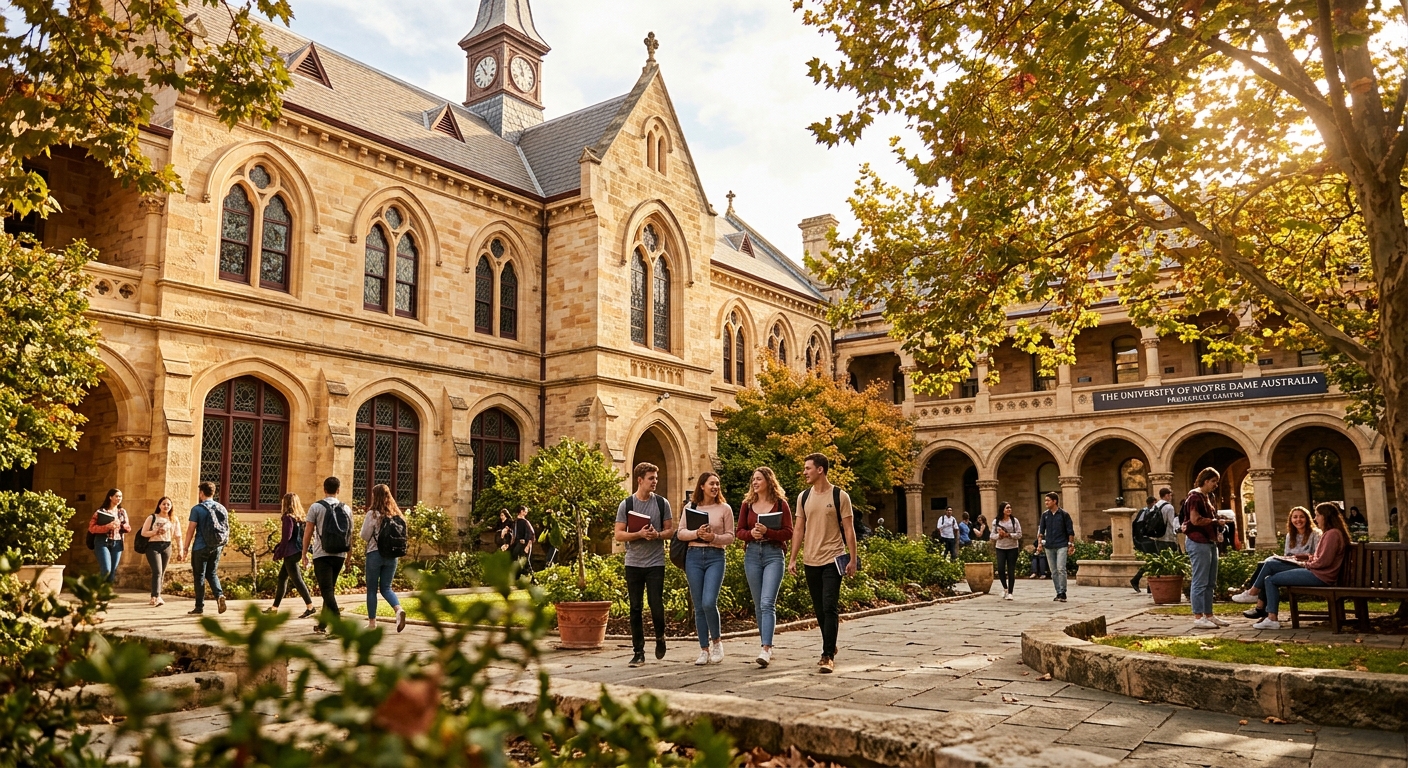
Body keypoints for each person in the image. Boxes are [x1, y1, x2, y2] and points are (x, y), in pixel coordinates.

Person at [788, 453, 856, 674]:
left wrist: (853, 559)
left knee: (829, 605)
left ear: (820, 470)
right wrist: (793, 557)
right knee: (819, 608)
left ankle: (827, 655)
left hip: (833, 558)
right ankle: (830, 641)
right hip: (811, 559)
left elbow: (849, 529)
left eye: (808, 468)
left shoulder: (840, 496)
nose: (805, 472)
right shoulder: (803, 497)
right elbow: (799, 529)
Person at [1231, 502, 1350, 629]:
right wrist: (1305, 558)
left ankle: (1263, 608)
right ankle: (1263, 608)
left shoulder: (1332, 534)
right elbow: (1321, 557)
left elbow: (1323, 562)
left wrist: (1305, 564)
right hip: (1318, 572)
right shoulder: (1330, 533)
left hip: (1321, 576)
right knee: (1270, 565)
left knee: (1270, 578)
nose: (1316, 519)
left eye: (1317, 515)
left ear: (1326, 516)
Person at [613, 462, 674, 667]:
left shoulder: (662, 503)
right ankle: (638, 652)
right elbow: (619, 534)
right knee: (635, 608)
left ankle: (660, 637)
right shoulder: (627, 505)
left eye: (656, 478)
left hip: (656, 561)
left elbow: (669, 531)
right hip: (633, 563)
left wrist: (657, 534)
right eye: (651, 478)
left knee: (656, 605)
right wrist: (639, 534)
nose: (655, 481)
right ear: (640, 480)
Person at [737, 467, 794, 667]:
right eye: (753, 479)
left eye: (758, 479)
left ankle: (766, 648)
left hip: (773, 554)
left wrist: (768, 531)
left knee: (767, 602)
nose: (754, 482)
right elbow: (739, 532)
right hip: (752, 554)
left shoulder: (780, 504)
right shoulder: (747, 504)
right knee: (758, 603)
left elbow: (789, 532)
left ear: (768, 481)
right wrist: (751, 534)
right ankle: (765, 643)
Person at [678, 471, 735, 666]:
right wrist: (697, 533)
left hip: (715, 556)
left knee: (709, 602)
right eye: (711, 483)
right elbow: (680, 533)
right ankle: (703, 649)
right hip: (693, 556)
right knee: (699, 604)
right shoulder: (690, 507)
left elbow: (731, 536)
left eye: (717, 484)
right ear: (702, 486)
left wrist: (714, 538)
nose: (715, 487)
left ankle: (717, 642)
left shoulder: (724, 508)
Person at [1236, 505, 1321, 619]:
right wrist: (1287, 558)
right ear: (1291, 520)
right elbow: (1287, 555)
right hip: (1291, 564)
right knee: (1265, 566)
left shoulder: (1315, 534)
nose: (1298, 520)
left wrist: (1299, 557)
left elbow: (1317, 555)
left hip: (1305, 567)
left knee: (1269, 565)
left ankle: (1255, 598)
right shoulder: (1290, 535)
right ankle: (1260, 606)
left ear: (1307, 519)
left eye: (1301, 517)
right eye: (1295, 517)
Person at [302, 476, 351, 634]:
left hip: (321, 554)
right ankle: (322, 625)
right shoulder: (347, 509)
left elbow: (308, 532)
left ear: (324, 489)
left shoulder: (316, 507)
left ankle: (337, 621)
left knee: (326, 590)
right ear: (338, 490)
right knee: (329, 589)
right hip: (340, 553)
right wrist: (349, 556)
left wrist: (304, 553)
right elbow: (350, 534)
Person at [1182, 467, 1227, 630]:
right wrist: (1215, 522)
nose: (1216, 484)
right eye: (1214, 481)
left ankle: (1209, 614)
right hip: (1197, 541)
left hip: (1209, 541)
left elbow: (1210, 518)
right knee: (1200, 580)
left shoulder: (1209, 497)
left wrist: (1218, 522)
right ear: (1206, 480)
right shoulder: (1194, 497)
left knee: (1210, 581)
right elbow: (1195, 520)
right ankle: (1198, 616)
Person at [361, 484, 408, 632]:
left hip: (375, 554)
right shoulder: (397, 515)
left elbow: (364, 535)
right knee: (387, 587)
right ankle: (398, 610)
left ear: (375, 496)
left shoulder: (373, 514)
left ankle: (372, 623)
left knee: (371, 590)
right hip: (392, 556)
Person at [266, 492, 315, 619]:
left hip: (290, 552)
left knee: (297, 580)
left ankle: (310, 607)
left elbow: (286, 538)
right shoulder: (300, 518)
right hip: (297, 551)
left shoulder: (288, 518)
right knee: (282, 578)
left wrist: (279, 552)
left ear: (285, 503)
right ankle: (274, 608)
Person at [183, 481, 228, 615]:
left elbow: (191, 529)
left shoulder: (197, 509)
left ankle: (199, 607)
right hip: (216, 546)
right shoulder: (221, 508)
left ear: (201, 493)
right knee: (212, 573)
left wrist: (185, 548)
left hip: (200, 546)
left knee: (199, 576)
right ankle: (219, 595)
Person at [1130, 488, 1179, 592]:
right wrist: (1178, 531)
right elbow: (1171, 523)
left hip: (1155, 538)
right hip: (1167, 538)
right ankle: (1162, 587)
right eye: (1170, 495)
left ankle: (1147, 585)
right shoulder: (1169, 507)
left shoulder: (1155, 506)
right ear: (1166, 495)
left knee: (1156, 560)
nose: (1171, 497)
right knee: (1167, 561)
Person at [139, 497, 181, 606]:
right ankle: (155, 596)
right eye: (164, 504)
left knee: (161, 572)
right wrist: (155, 532)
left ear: (171, 506)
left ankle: (156, 596)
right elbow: (143, 533)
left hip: (167, 545)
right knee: (157, 571)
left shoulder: (174, 519)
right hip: (153, 546)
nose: (166, 506)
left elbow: (178, 536)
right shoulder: (152, 517)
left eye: (168, 504)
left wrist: (181, 550)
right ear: (159, 505)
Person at [1036, 492, 1074, 602]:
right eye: (1045, 500)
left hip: (1062, 544)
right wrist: (1039, 544)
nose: (1046, 502)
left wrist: (1071, 545)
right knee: (1053, 571)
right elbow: (1041, 531)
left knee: (1061, 568)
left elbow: (1070, 531)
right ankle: (1058, 592)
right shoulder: (1045, 515)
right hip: (1049, 545)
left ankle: (1063, 592)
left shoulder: (1064, 514)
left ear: (1055, 501)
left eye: (1048, 500)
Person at [88, 488, 131, 584]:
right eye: (117, 496)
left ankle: (106, 595)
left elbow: (128, 528)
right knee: (106, 570)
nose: (119, 498)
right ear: (110, 497)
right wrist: (107, 527)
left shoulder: (122, 512)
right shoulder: (100, 511)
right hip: (102, 542)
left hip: (117, 543)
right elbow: (91, 528)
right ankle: (98, 592)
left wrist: (121, 525)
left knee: (112, 572)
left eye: (120, 496)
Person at [990, 501, 1021, 600]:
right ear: (1002, 510)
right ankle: (1005, 588)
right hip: (1000, 548)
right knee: (1000, 569)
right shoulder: (996, 521)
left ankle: (1011, 592)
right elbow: (992, 535)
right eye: (1007, 508)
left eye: (1010, 508)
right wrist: (999, 536)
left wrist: (1008, 535)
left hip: (1012, 548)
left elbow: (1019, 534)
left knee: (1011, 570)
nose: (1009, 509)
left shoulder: (1014, 521)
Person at [510, 505, 536, 581]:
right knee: (515, 558)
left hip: (526, 544)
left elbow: (531, 534)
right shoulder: (515, 522)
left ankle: (533, 579)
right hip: (518, 544)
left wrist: (527, 546)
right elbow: (513, 533)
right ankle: (516, 578)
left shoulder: (526, 522)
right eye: (525, 511)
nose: (526, 513)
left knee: (526, 561)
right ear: (521, 511)